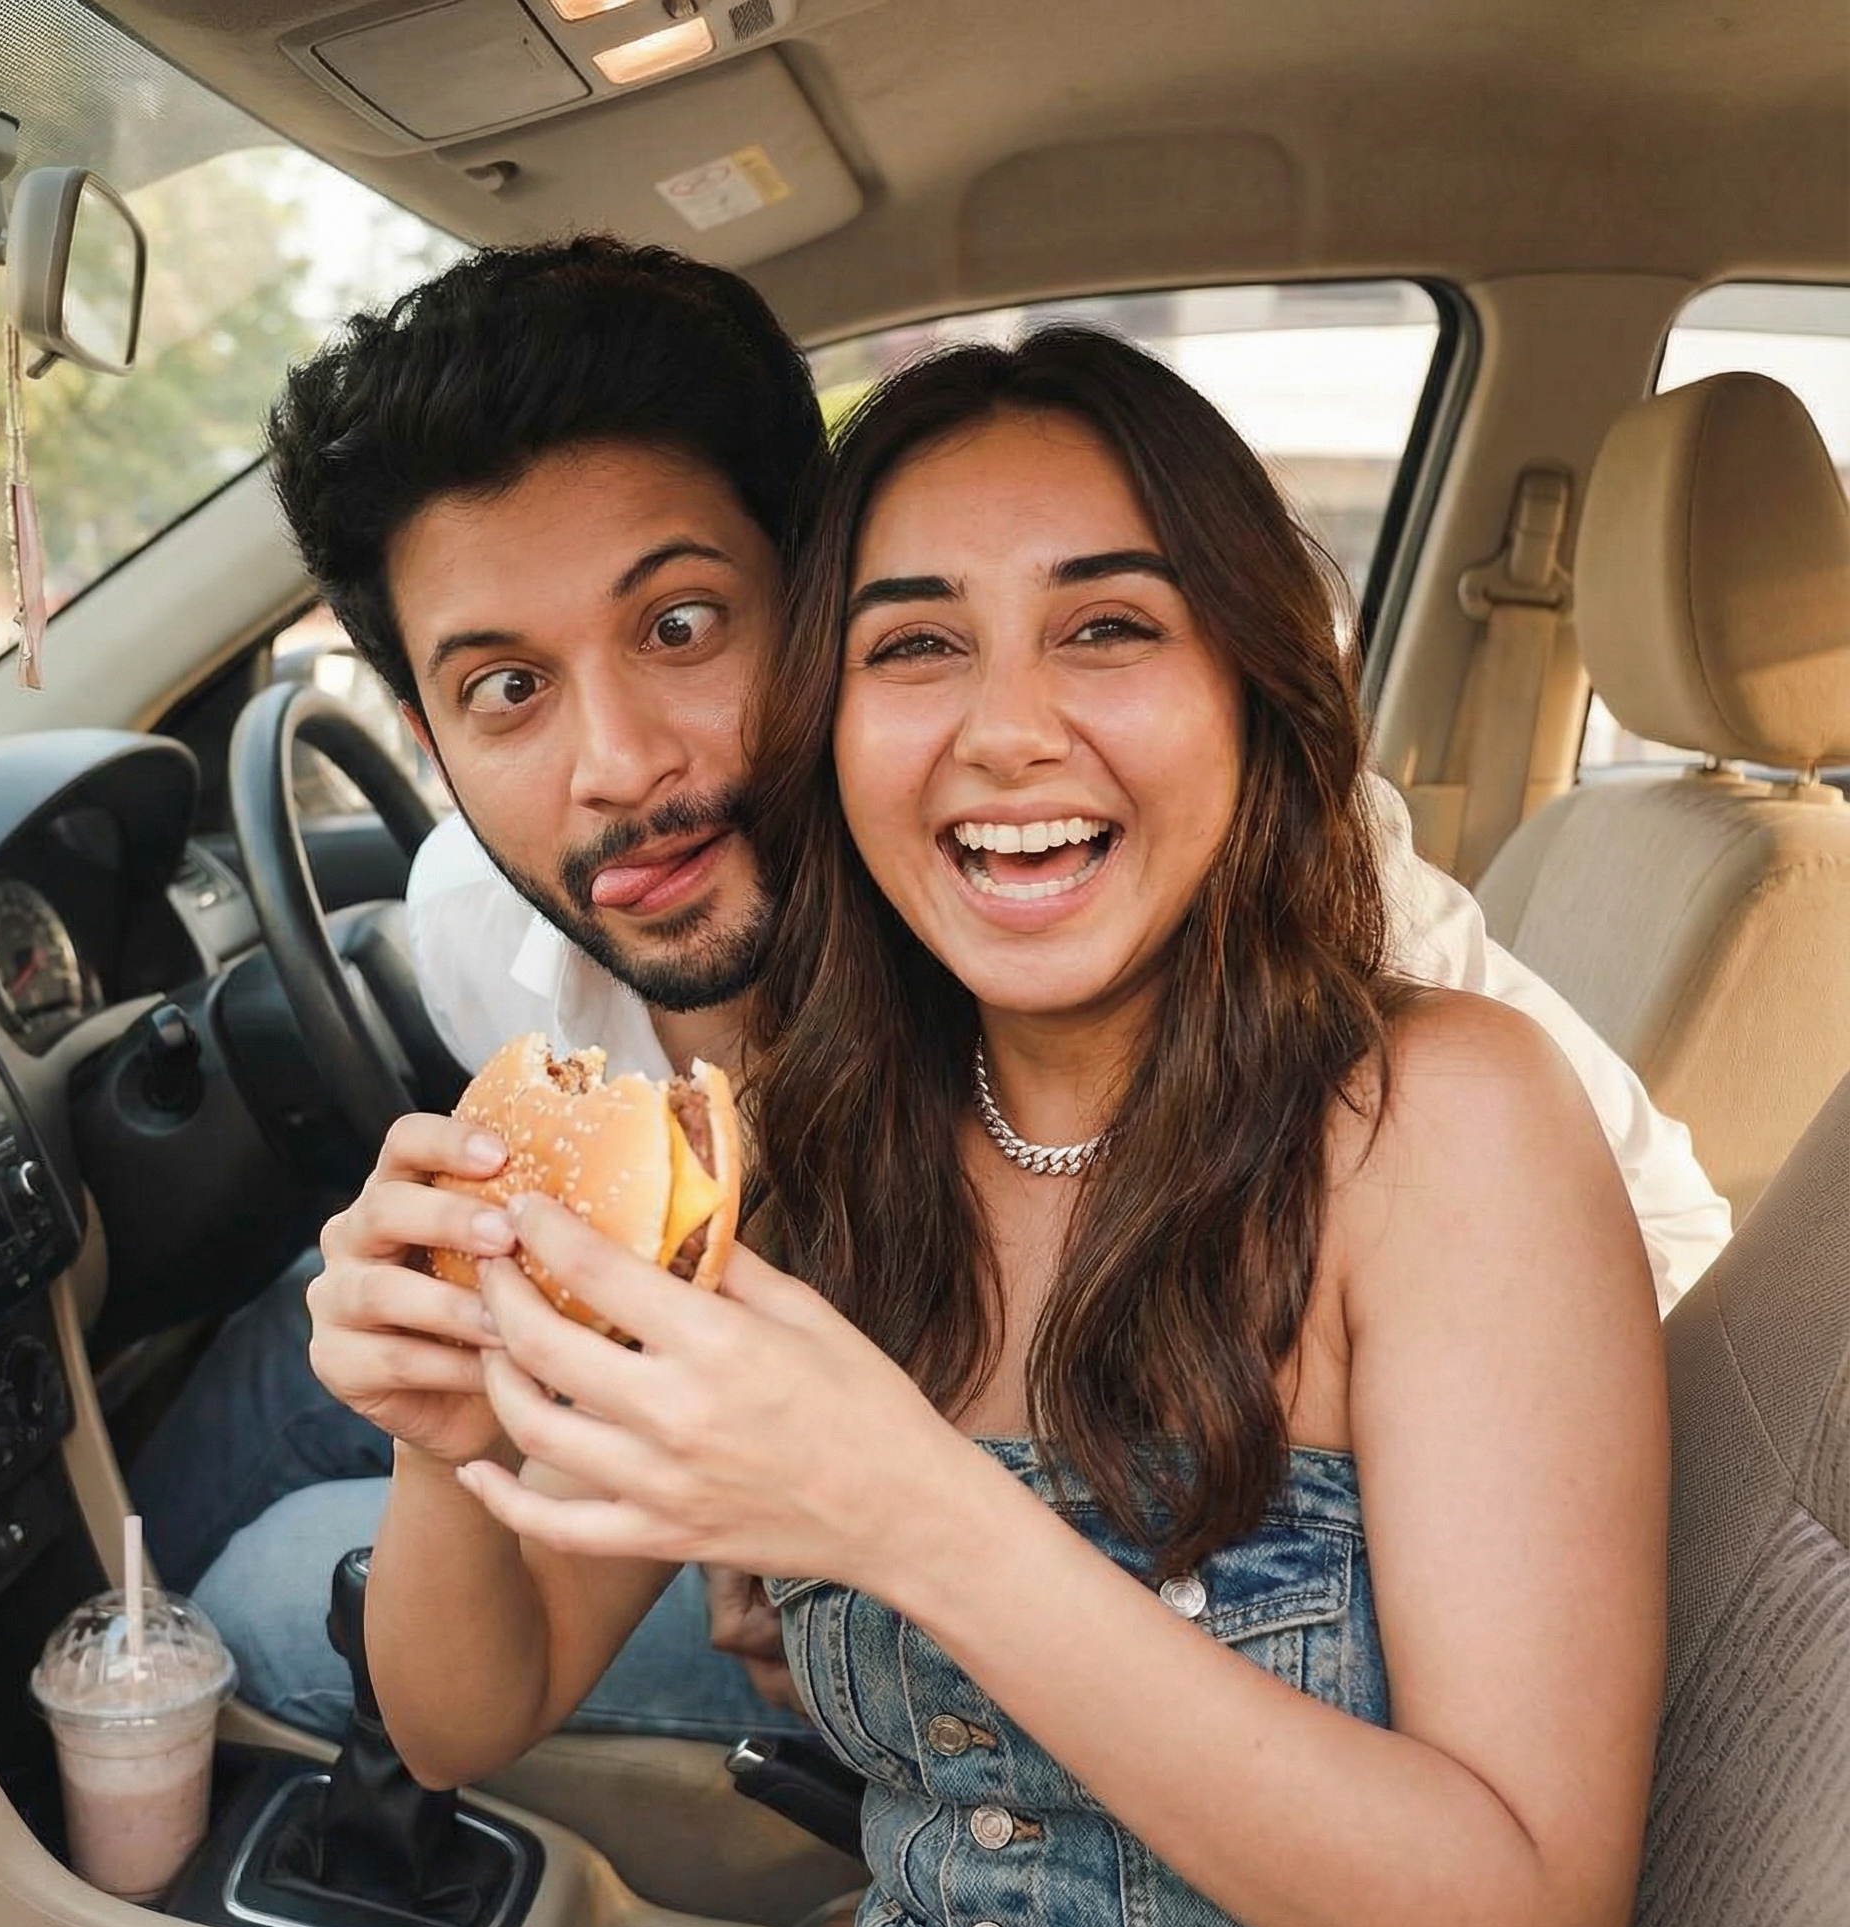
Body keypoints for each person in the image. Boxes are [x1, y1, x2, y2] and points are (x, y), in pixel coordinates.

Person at [141, 236, 1724, 1747]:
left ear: (818, 598)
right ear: (426, 736)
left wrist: (927, 1518)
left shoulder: (1315, 965)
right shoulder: (541, 973)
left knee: (278, 1592)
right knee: (287, 1395)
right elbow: (479, 1689)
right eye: (505, 690)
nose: (619, 767)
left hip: (1367, 1599)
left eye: (684, 626)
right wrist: (481, 1422)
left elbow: (1603, 1348)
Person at [327, 327, 1669, 1927]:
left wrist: (912, 1515)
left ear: (1251, 688)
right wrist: (439, 1423)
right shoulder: (800, 1147)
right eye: (918, 649)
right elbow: (469, 1717)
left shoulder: (1442, 1121)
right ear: (829, 726)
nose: (1009, 731)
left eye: (1108, 627)